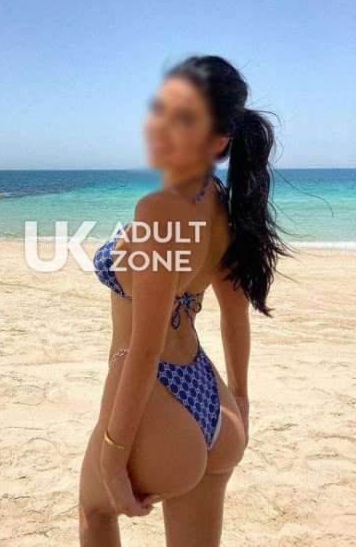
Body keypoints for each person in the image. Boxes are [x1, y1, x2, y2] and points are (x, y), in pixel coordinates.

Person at [79, 55, 287, 546]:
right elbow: (235, 314)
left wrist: (114, 455)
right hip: (212, 401)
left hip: (156, 393)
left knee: (95, 512)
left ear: (218, 141)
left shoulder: (159, 209)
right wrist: (240, 402)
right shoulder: (224, 206)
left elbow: (146, 347)